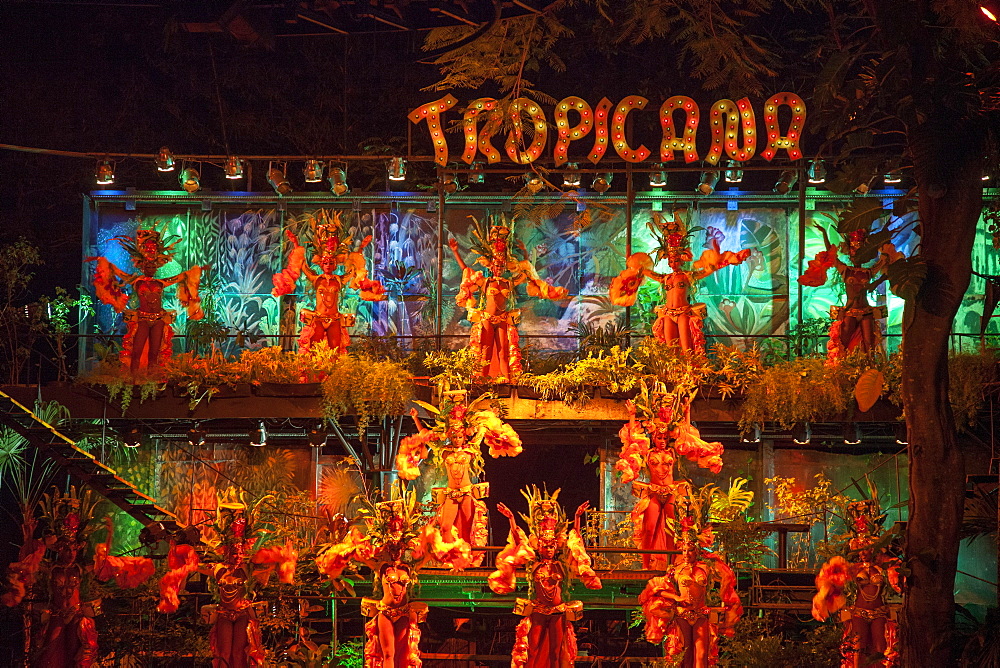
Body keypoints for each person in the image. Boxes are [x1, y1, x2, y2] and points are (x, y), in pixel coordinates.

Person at [157, 490, 296, 668]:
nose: (235, 555)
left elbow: (269, 566)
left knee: (238, 653)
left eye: (239, 551)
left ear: (243, 552)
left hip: (242, 613)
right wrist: (177, 553)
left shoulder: (247, 569)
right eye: (232, 551)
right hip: (223, 613)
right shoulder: (218, 568)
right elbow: (193, 566)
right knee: (223, 653)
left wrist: (284, 558)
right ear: (224, 551)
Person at [395, 393, 522, 568]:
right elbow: (425, 436)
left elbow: (483, 430)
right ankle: (451, 558)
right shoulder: (444, 451)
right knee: (446, 526)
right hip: (451, 494)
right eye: (454, 436)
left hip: (467, 492)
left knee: (468, 527)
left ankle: (467, 561)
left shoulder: (471, 450)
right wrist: (416, 418)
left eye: (460, 436)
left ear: (464, 436)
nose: (456, 439)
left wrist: (493, 415)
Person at [315, 484, 433, 668]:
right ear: (387, 546)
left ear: (404, 546)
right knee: (388, 653)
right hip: (384, 612)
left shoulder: (409, 567)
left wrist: (434, 540)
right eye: (392, 548)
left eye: (398, 547)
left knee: (403, 656)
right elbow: (359, 555)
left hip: (403, 612)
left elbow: (430, 553)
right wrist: (349, 548)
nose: (395, 551)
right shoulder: (381, 567)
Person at [487, 487, 603, 668]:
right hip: (538, 611)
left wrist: (578, 517)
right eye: (544, 546)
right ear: (538, 547)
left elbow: (576, 541)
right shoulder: (532, 563)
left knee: (556, 653)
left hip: (558, 611)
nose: (548, 549)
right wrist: (511, 519)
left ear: (556, 547)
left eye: (551, 546)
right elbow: (518, 541)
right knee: (532, 650)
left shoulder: (562, 565)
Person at [616, 384, 723, 570]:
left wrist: (686, 411)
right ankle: (646, 565)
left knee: (673, 531)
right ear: (655, 437)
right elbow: (632, 438)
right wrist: (632, 415)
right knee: (648, 530)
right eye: (660, 438)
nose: (663, 441)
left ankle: (673, 565)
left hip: (672, 491)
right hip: (653, 492)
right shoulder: (647, 452)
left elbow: (688, 435)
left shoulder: (674, 451)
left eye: (666, 438)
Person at [610, 212, 750, 354]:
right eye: (671, 260)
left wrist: (731, 258)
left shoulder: (688, 276)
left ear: (682, 260)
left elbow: (710, 268)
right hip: (667, 314)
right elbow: (644, 271)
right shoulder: (664, 278)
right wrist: (634, 268)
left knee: (687, 348)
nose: (673, 263)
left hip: (683, 313)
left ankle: (690, 374)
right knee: (671, 350)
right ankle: (673, 374)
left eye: (676, 260)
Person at [449, 214, 568, 379]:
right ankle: (481, 383)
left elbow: (528, 273)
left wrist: (525, 254)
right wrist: (455, 252)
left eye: (501, 265)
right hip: (487, 319)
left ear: (504, 266)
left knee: (504, 353)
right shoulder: (485, 282)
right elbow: (466, 271)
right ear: (491, 266)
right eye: (496, 264)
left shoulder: (509, 283)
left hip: (504, 319)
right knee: (486, 353)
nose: (498, 267)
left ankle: (508, 384)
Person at [89, 226, 206, 374]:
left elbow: (181, 277)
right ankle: (134, 379)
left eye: (153, 265)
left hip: (158, 320)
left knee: (154, 353)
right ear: (142, 266)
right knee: (136, 352)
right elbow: (118, 272)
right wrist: (103, 262)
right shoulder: (136, 281)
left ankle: (152, 380)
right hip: (143, 319)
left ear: (156, 267)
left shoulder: (161, 283)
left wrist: (196, 271)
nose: (151, 268)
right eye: (148, 265)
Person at [272, 210, 386, 355]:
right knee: (314, 350)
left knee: (335, 350)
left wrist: (362, 248)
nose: (328, 264)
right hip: (318, 317)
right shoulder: (316, 278)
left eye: (331, 262)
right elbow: (302, 265)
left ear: (335, 265)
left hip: (334, 318)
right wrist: (295, 244)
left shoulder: (339, 280)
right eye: (325, 262)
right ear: (321, 264)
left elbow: (353, 269)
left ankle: (334, 375)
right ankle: (313, 375)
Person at [813, 500, 903, 668]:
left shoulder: (883, 567)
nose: (862, 553)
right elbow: (831, 580)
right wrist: (823, 597)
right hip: (859, 612)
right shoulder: (853, 569)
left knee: (880, 647)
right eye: (859, 549)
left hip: (879, 612)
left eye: (866, 549)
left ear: (873, 549)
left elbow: (897, 574)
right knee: (857, 647)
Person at [799, 225, 902, 362]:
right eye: (853, 251)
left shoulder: (868, 272)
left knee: (868, 345)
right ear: (849, 252)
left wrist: (884, 239)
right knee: (843, 344)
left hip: (866, 312)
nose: (856, 255)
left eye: (859, 251)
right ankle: (841, 369)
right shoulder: (845, 270)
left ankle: (867, 368)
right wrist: (824, 233)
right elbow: (831, 254)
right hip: (849, 311)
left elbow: (884, 261)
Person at [639, 532, 742, 668]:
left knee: (702, 655)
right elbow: (659, 589)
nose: (687, 554)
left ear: (697, 551)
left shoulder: (706, 568)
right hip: (683, 615)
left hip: (701, 614)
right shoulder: (675, 570)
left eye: (690, 550)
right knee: (685, 656)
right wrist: (676, 597)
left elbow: (725, 577)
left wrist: (715, 559)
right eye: (684, 550)